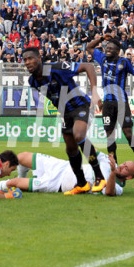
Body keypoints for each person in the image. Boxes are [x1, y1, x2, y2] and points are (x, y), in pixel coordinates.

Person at [22, 46, 107, 195]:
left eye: (30, 58)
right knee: (70, 148)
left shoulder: (56, 68)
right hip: (66, 114)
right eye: (25, 60)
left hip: (81, 105)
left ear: (39, 58)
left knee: (79, 135)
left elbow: (88, 66)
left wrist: (94, 92)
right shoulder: (32, 81)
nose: (28, 62)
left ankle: (99, 176)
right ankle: (81, 184)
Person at [86, 33, 134, 174]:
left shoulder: (125, 62)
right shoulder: (102, 58)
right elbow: (89, 46)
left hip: (121, 103)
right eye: (106, 47)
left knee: (128, 133)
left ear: (117, 51)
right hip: (108, 104)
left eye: (110, 48)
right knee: (109, 135)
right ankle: (114, 167)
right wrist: (102, 38)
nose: (107, 50)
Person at [0, 151, 134, 197]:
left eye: (126, 168)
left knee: (13, 183)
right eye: (124, 164)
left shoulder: (118, 188)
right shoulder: (108, 163)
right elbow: (91, 151)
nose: (122, 166)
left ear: (129, 177)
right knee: (21, 157)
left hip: (59, 183)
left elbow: (109, 192)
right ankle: (17, 175)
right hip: (62, 165)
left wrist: (112, 172)